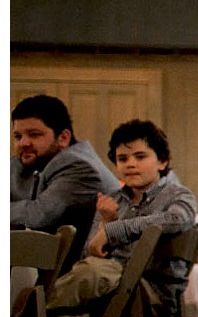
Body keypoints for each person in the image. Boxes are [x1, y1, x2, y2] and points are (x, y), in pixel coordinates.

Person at [41, 119, 197, 317]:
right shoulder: (114, 199)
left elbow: (175, 220)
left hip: (149, 294)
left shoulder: (178, 195)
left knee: (101, 272)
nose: (130, 165)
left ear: (162, 161)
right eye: (123, 159)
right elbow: (91, 253)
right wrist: (106, 221)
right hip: (108, 295)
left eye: (140, 156)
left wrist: (114, 230)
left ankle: (22, 314)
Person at [11, 94, 121, 268]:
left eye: (34, 135)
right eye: (18, 136)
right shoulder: (33, 161)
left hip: (82, 274)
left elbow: (39, 215)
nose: (23, 143)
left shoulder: (78, 166)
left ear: (63, 137)